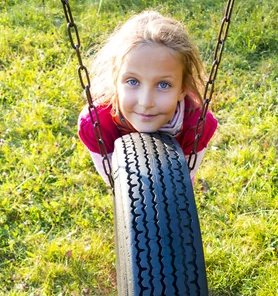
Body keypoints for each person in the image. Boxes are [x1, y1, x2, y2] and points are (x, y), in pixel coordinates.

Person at [78, 10, 218, 186]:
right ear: (115, 79)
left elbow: (182, 188)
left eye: (163, 85)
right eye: (132, 81)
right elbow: (118, 185)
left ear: (183, 89)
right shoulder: (98, 124)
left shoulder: (196, 124)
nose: (145, 102)